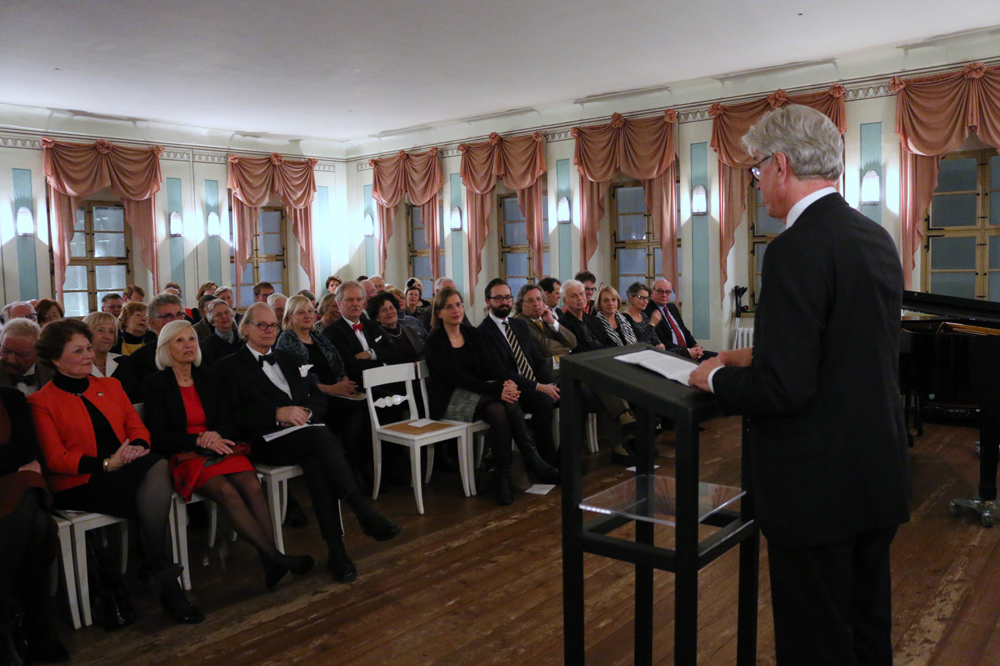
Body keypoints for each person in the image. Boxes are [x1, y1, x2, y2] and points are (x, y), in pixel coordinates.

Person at [689, 105, 910, 666]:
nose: (757, 178)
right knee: (866, 631)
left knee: (815, 642)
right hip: (874, 470)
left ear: (781, 164)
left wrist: (714, 376)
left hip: (816, 488)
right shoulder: (875, 237)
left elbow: (783, 392)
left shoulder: (794, 248)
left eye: (758, 167)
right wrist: (758, 354)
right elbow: (846, 350)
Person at [28, 319, 203, 624]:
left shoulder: (109, 385)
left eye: (88, 347)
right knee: (154, 488)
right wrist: (107, 464)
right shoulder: (41, 402)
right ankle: (166, 580)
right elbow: (56, 459)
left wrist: (135, 445)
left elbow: (137, 427)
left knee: (156, 465)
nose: (88, 354)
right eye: (78, 350)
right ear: (55, 359)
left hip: (126, 470)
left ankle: (161, 572)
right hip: (81, 482)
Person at [215, 303, 401, 583]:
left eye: (273, 325)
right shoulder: (228, 367)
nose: (268, 330)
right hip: (265, 439)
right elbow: (231, 416)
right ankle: (363, 512)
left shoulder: (289, 357)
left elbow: (316, 397)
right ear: (245, 329)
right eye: (261, 325)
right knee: (319, 438)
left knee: (317, 458)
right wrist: (276, 415)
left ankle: (338, 552)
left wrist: (308, 413)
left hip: (305, 435)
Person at [143, 320, 314, 591]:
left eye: (191, 339)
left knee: (251, 484)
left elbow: (225, 417)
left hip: (220, 444)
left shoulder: (207, 376)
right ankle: (274, 558)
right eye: (179, 341)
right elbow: (158, 435)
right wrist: (198, 438)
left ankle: (272, 561)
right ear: (165, 347)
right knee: (227, 491)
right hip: (186, 453)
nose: (188, 345)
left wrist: (216, 434)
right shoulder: (156, 384)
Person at [425, 288, 556, 505]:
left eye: (458, 304)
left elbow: (488, 366)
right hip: (449, 399)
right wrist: (498, 390)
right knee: (500, 403)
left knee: (501, 406)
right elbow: (458, 379)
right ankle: (527, 458)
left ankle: (503, 476)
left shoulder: (469, 333)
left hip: (476, 393)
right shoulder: (435, 342)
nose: (456, 310)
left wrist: (506, 383)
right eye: (449, 306)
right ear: (439, 313)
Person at [0, 387, 68, 663]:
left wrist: (13, 465)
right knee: (36, 517)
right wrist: (11, 463)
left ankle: (6, 615)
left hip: (11, 486)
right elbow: (17, 458)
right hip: (10, 480)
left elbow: (27, 450)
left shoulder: (10, 397)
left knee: (30, 489)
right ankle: (36, 623)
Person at [275, 296, 370, 489]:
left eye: (310, 311)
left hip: (335, 392)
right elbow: (300, 381)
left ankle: (360, 469)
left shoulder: (318, 337)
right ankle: (353, 473)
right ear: (290, 317)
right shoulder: (286, 340)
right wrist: (333, 389)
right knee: (357, 411)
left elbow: (337, 364)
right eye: (301, 312)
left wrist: (343, 381)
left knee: (367, 408)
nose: (307, 316)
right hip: (312, 398)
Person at [476, 279, 562, 470]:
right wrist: (540, 387)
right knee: (543, 401)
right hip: (513, 389)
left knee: (573, 395)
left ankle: (565, 456)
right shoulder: (482, 332)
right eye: (498, 298)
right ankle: (545, 462)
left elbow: (537, 360)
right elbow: (500, 371)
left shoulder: (519, 325)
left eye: (507, 297)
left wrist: (550, 385)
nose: (504, 302)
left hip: (536, 383)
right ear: (487, 301)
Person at [557, 280, 635, 464]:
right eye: (574, 296)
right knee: (604, 383)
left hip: (601, 368)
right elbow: (574, 352)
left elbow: (608, 344)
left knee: (619, 381)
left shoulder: (593, 320)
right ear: (564, 300)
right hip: (580, 373)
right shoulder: (562, 324)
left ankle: (626, 442)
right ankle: (624, 422)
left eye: (582, 294)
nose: (580, 298)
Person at [323, 281, 403, 387]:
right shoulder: (333, 332)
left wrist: (371, 354)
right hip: (360, 386)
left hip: (386, 381)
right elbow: (351, 367)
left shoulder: (372, 325)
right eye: (349, 300)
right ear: (339, 303)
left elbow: (396, 354)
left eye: (359, 299)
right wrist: (384, 364)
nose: (355, 303)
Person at [112, 293, 186, 402]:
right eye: (168, 316)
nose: (176, 320)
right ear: (152, 323)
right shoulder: (139, 359)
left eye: (179, 314)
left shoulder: (199, 349)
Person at [513, 283, 577, 372]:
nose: (536, 304)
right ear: (521, 304)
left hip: (560, 373)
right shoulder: (518, 322)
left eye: (539, 299)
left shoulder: (546, 317)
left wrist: (552, 322)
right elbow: (546, 347)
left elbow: (573, 342)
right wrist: (567, 349)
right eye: (530, 300)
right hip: (540, 377)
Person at [645, 279, 710, 360]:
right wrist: (687, 352)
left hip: (689, 351)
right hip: (672, 355)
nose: (664, 295)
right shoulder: (648, 311)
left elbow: (684, 331)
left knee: (720, 359)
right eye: (660, 291)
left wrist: (695, 346)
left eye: (668, 292)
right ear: (652, 292)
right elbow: (661, 340)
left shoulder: (672, 308)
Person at [0, 319, 52, 395]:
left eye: (21, 354)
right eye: (5, 351)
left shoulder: (54, 372)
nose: (11, 360)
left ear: (38, 354)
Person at [368, 292, 423, 362]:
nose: (389, 312)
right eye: (384, 310)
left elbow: (421, 353)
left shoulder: (410, 330)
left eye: (391, 307)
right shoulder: (377, 337)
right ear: (377, 317)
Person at [199, 299, 242, 367]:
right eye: (218, 315)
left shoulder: (243, 337)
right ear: (212, 321)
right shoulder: (206, 345)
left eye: (227, 312)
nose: (224, 317)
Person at [623, 283, 665, 349]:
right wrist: (652, 324)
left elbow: (654, 337)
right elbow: (638, 346)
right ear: (631, 298)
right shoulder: (625, 318)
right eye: (642, 298)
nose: (646, 301)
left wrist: (660, 345)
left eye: (647, 298)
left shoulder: (644, 315)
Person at [83, 311, 121, 378]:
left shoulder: (124, 362)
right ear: (86, 333)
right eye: (101, 330)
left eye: (111, 331)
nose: (108, 336)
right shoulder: (77, 365)